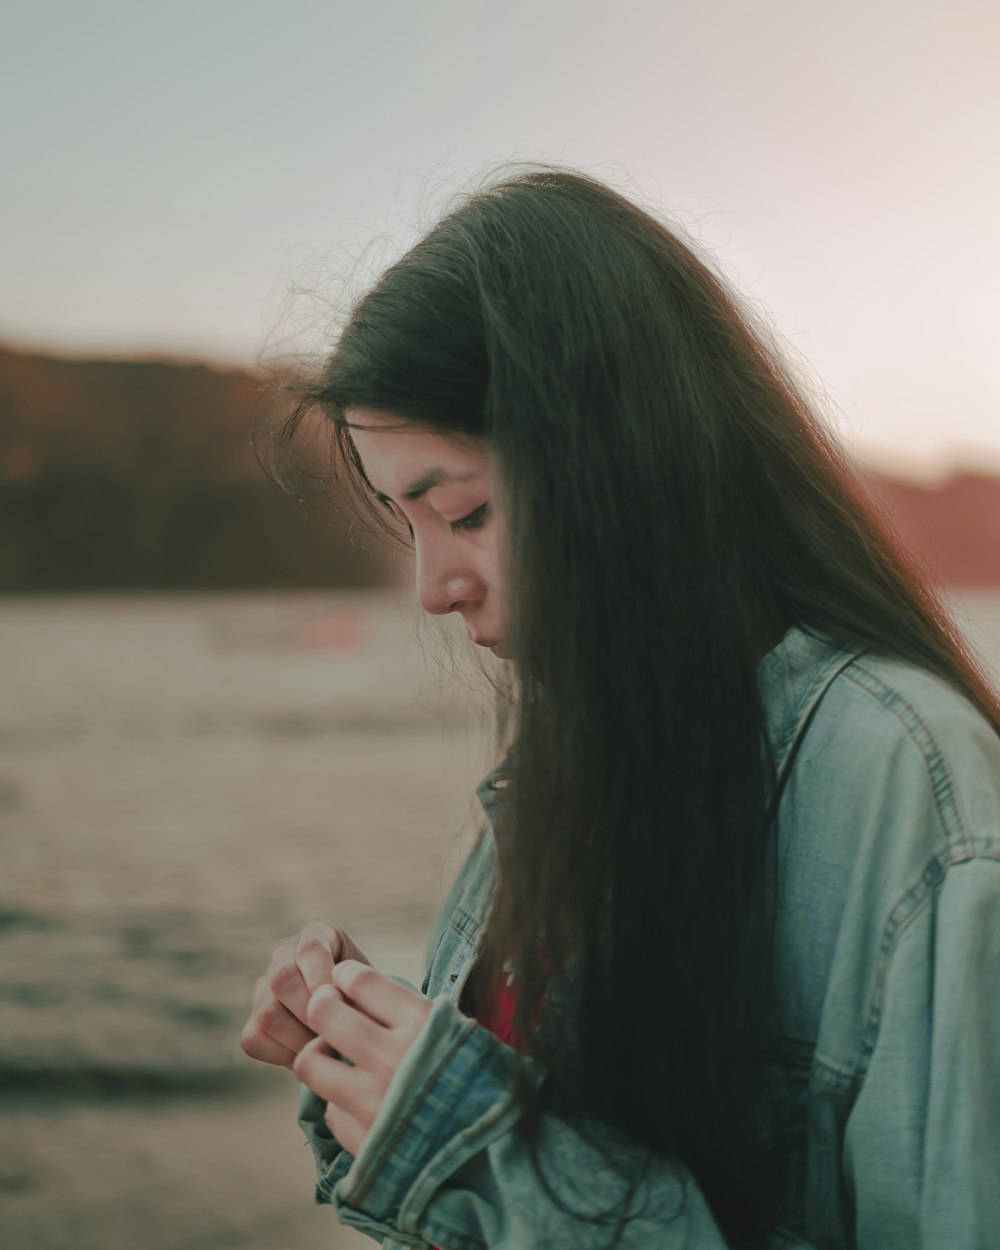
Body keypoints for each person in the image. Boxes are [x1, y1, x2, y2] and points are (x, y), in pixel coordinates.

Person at [240, 164, 1000, 1248]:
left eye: (463, 510)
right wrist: (368, 1060)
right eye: (404, 525)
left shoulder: (908, 790)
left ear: (619, 457)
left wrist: (483, 1149)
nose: (431, 586)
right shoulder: (573, 756)